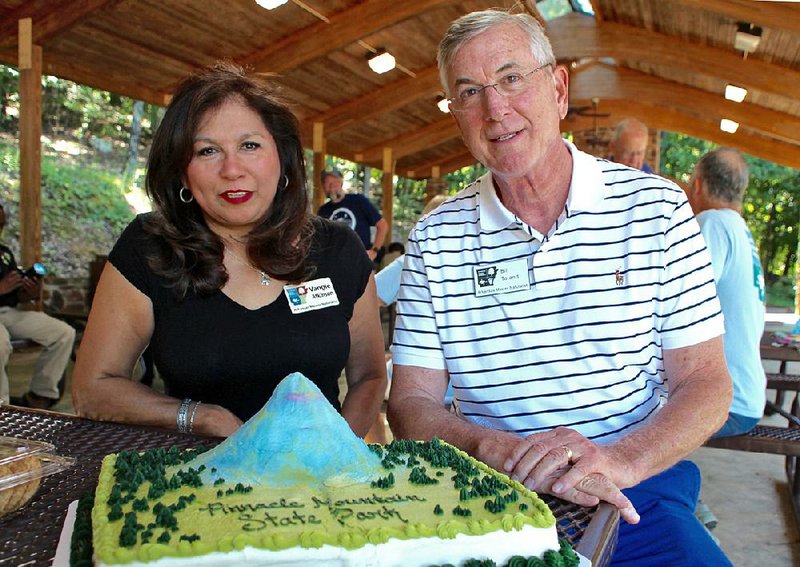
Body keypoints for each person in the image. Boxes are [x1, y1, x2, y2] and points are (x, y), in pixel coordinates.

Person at [387, 10, 733, 566]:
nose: (495, 109)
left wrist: (619, 460)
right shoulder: (436, 236)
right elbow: (410, 401)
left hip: (633, 492)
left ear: (558, 87)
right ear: (455, 114)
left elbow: (707, 383)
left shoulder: (657, 210)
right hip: (488, 494)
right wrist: (489, 448)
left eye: (511, 78)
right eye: (469, 91)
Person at [72, 62, 387, 439]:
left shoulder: (337, 249)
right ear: (181, 170)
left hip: (319, 483)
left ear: (283, 158)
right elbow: (93, 388)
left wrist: (337, 452)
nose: (232, 169)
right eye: (207, 151)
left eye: (250, 145)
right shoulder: (150, 246)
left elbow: (369, 376)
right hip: (197, 476)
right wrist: (199, 417)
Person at [687, 148, 765, 437]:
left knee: (617, 412)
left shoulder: (714, 224)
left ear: (698, 184)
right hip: (748, 395)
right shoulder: (740, 229)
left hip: (727, 402)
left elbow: (687, 298)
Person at [0, 204, 75, 409]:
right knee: (1, 342)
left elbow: (15, 294)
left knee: (63, 332)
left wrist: (28, 292)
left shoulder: (4, 253)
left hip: (9, 312)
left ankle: (40, 394)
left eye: (2, 225)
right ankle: (4, 409)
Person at [317, 169, 388, 263]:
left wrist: (374, 251)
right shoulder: (323, 211)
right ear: (323, 187)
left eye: (335, 182)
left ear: (341, 183)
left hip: (360, 261)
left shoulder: (358, 201)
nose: (332, 187)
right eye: (328, 183)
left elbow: (382, 225)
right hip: (335, 263)